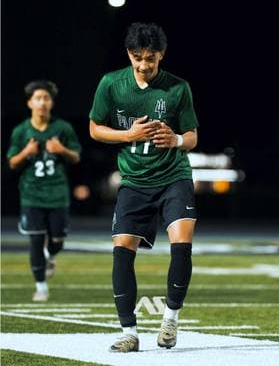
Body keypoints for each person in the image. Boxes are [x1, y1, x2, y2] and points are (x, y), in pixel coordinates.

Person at [89, 22, 199, 352]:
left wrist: (177, 139)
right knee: (122, 250)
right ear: (129, 54)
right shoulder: (111, 84)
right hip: (134, 181)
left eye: (150, 58)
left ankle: (170, 319)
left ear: (161, 55)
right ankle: (129, 332)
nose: (143, 65)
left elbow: (192, 137)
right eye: (137, 57)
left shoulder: (178, 88)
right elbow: (95, 128)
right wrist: (127, 136)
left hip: (173, 177)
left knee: (182, 242)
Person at [6, 80, 81, 302]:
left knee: (57, 241)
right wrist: (26, 151)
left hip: (57, 193)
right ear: (30, 103)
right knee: (36, 241)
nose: (42, 102)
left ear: (52, 102)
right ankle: (41, 286)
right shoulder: (21, 131)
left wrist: (61, 150)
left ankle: (50, 256)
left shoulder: (63, 128)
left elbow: (76, 156)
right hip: (31, 194)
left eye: (46, 98)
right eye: (38, 98)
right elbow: (11, 163)